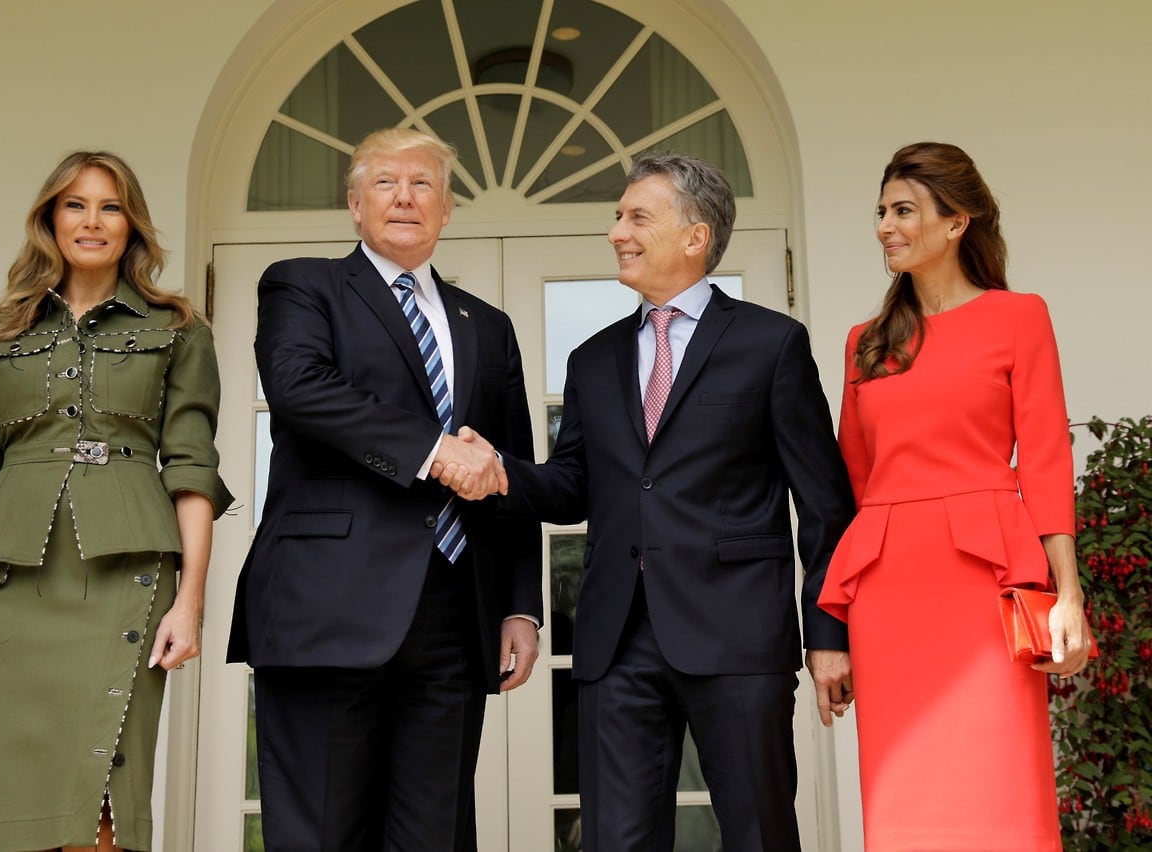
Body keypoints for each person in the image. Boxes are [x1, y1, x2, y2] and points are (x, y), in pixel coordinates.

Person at [440, 151, 857, 851]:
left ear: (695, 236)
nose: (616, 232)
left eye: (637, 216)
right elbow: (574, 485)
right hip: (615, 640)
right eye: (617, 217)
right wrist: (502, 472)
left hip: (738, 637)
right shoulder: (592, 359)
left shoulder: (771, 345)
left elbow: (824, 507)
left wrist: (829, 636)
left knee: (760, 834)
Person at [226, 127, 542, 851]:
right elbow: (302, 389)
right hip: (325, 607)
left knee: (434, 835)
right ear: (354, 205)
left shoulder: (486, 327)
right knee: (323, 832)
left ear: (448, 207)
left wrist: (521, 605)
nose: (405, 197)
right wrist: (433, 452)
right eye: (386, 183)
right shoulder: (303, 285)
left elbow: (506, 469)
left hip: (454, 615)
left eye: (423, 183)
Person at [0, 151, 233, 852]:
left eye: (111, 206)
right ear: (49, 220)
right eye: (75, 204)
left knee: (104, 812)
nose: (92, 220)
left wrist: (191, 602)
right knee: (8, 812)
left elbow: (191, 472)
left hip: (125, 578)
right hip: (9, 591)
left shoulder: (179, 330)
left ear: (132, 226)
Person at [816, 141, 1091, 850]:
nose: (885, 226)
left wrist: (1068, 597)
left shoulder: (1018, 317)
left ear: (956, 221)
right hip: (886, 590)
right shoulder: (864, 344)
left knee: (1002, 782)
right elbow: (852, 483)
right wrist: (834, 632)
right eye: (881, 212)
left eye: (904, 210)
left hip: (986, 587)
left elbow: (1047, 460)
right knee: (905, 789)